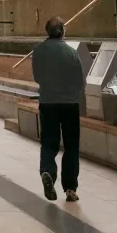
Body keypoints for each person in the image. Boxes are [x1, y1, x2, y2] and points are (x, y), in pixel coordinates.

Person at [31, 16, 85, 202]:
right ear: (62, 30)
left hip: (47, 103)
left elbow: (37, 76)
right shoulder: (71, 52)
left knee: (48, 142)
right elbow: (80, 81)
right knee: (71, 146)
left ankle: (47, 172)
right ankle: (70, 188)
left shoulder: (38, 51)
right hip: (69, 104)